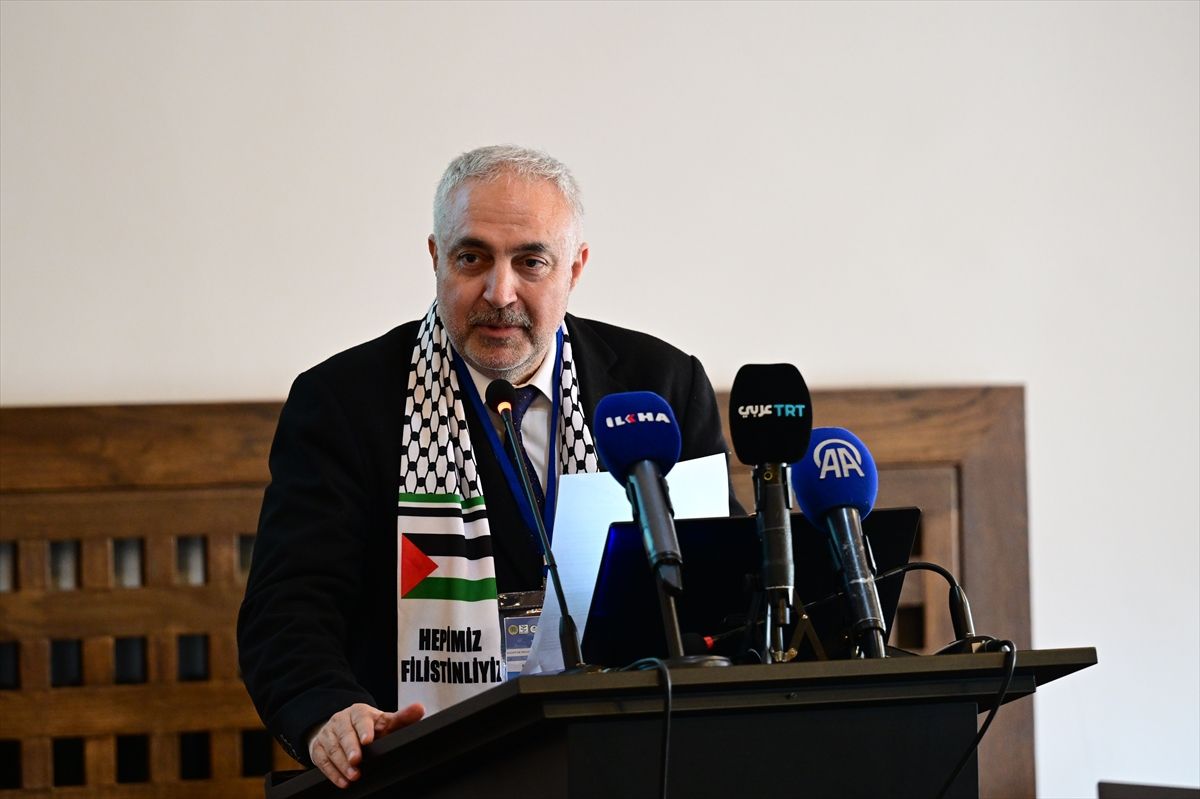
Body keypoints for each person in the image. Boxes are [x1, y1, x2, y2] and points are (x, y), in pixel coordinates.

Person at [237, 145, 739, 789]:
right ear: (435, 257)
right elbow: (288, 609)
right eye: (472, 258)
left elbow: (721, 586)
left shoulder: (660, 385)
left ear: (575, 268)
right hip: (420, 767)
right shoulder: (343, 402)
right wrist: (329, 714)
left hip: (629, 756)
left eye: (531, 261)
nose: (500, 294)